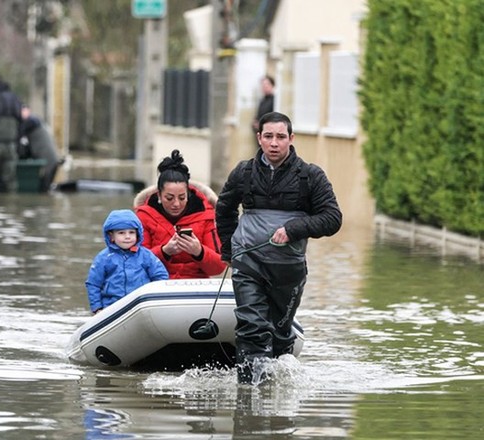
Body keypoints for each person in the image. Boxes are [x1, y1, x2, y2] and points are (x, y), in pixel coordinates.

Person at [215, 111, 342, 385]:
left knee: (280, 333)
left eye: (280, 137)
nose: (274, 143)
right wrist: (229, 251)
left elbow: (332, 219)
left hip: (289, 269)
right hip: (248, 264)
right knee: (252, 327)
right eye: (269, 136)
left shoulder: (311, 176)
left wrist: (294, 229)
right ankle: (249, 394)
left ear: (291, 139)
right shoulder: (243, 173)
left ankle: (277, 396)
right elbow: (223, 210)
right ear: (259, 138)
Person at [134, 149, 226, 279]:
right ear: (159, 195)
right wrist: (164, 251)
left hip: (196, 286)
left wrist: (199, 252)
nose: (176, 204)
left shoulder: (206, 215)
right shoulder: (144, 216)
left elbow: (219, 266)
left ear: (188, 195)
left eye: (182, 198)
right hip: (156, 284)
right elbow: (134, 263)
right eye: (169, 198)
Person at [86, 209, 168, 314]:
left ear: (138, 234)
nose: (127, 236)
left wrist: (155, 300)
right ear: (111, 236)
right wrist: (97, 308)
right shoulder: (103, 258)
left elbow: (160, 276)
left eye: (131, 232)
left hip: (140, 305)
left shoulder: (146, 255)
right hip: (111, 306)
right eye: (121, 233)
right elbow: (93, 284)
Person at [19, 105, 61, 191]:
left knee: (43, 190)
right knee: (45, 190)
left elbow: (19, 135)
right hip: (52, 161)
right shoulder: (37, 124)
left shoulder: (32, 121)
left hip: (49, 164)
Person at [251, 75, 275, 145]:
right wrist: (255, 122)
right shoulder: (262, 100)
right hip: (260, 133)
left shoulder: (275, 100)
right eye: (263, 85)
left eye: (267, 84)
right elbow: (258, 115)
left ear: (272, 85)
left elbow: (273, 117)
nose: (264, 87)